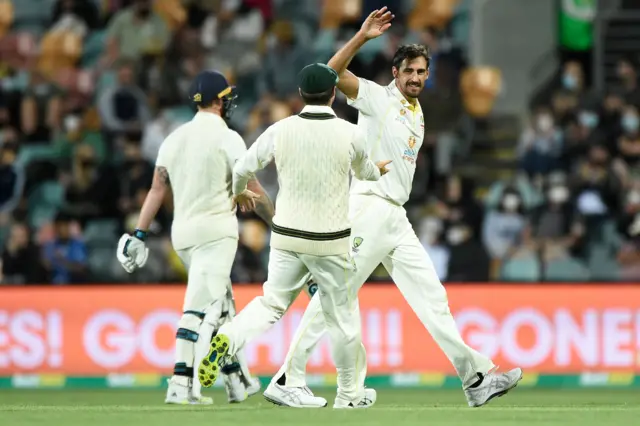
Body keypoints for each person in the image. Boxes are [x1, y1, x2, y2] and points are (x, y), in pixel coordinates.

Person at [264, 7, 523, 408]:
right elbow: (327, 73)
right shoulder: (376, 97)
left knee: (432, 297)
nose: (416, 78)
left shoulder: (417, 113)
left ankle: (474, 379)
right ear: (395, 73)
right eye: (410, 72)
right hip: (368, 208)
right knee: (336, 296)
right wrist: (362, 38)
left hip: (394, 217)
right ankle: (287, 377)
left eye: (422, 72)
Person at [196, 63, 391, 409]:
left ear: (301, 95)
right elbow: (367, 173)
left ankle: (227, 337)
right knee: (343, 318)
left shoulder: (281, 129)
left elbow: (241, 169)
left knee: (271, 303)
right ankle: (348, 395)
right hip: (330, 240)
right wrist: (377, 170)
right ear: (334, 93)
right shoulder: (350, 133)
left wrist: (240, 192)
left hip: (286, 236)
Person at [115, 70, 269, 405]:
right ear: (218, 100)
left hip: (182, 236)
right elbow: (251, 188)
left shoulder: (173, 138)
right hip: (217, 233)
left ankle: (237, 382)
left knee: (224, 306)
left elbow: (157, 189)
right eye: (225, 97)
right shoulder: (229, 138)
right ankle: (181, 384)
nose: (228, 101)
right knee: (200, 309)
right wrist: (281, 223)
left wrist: (139, 233)